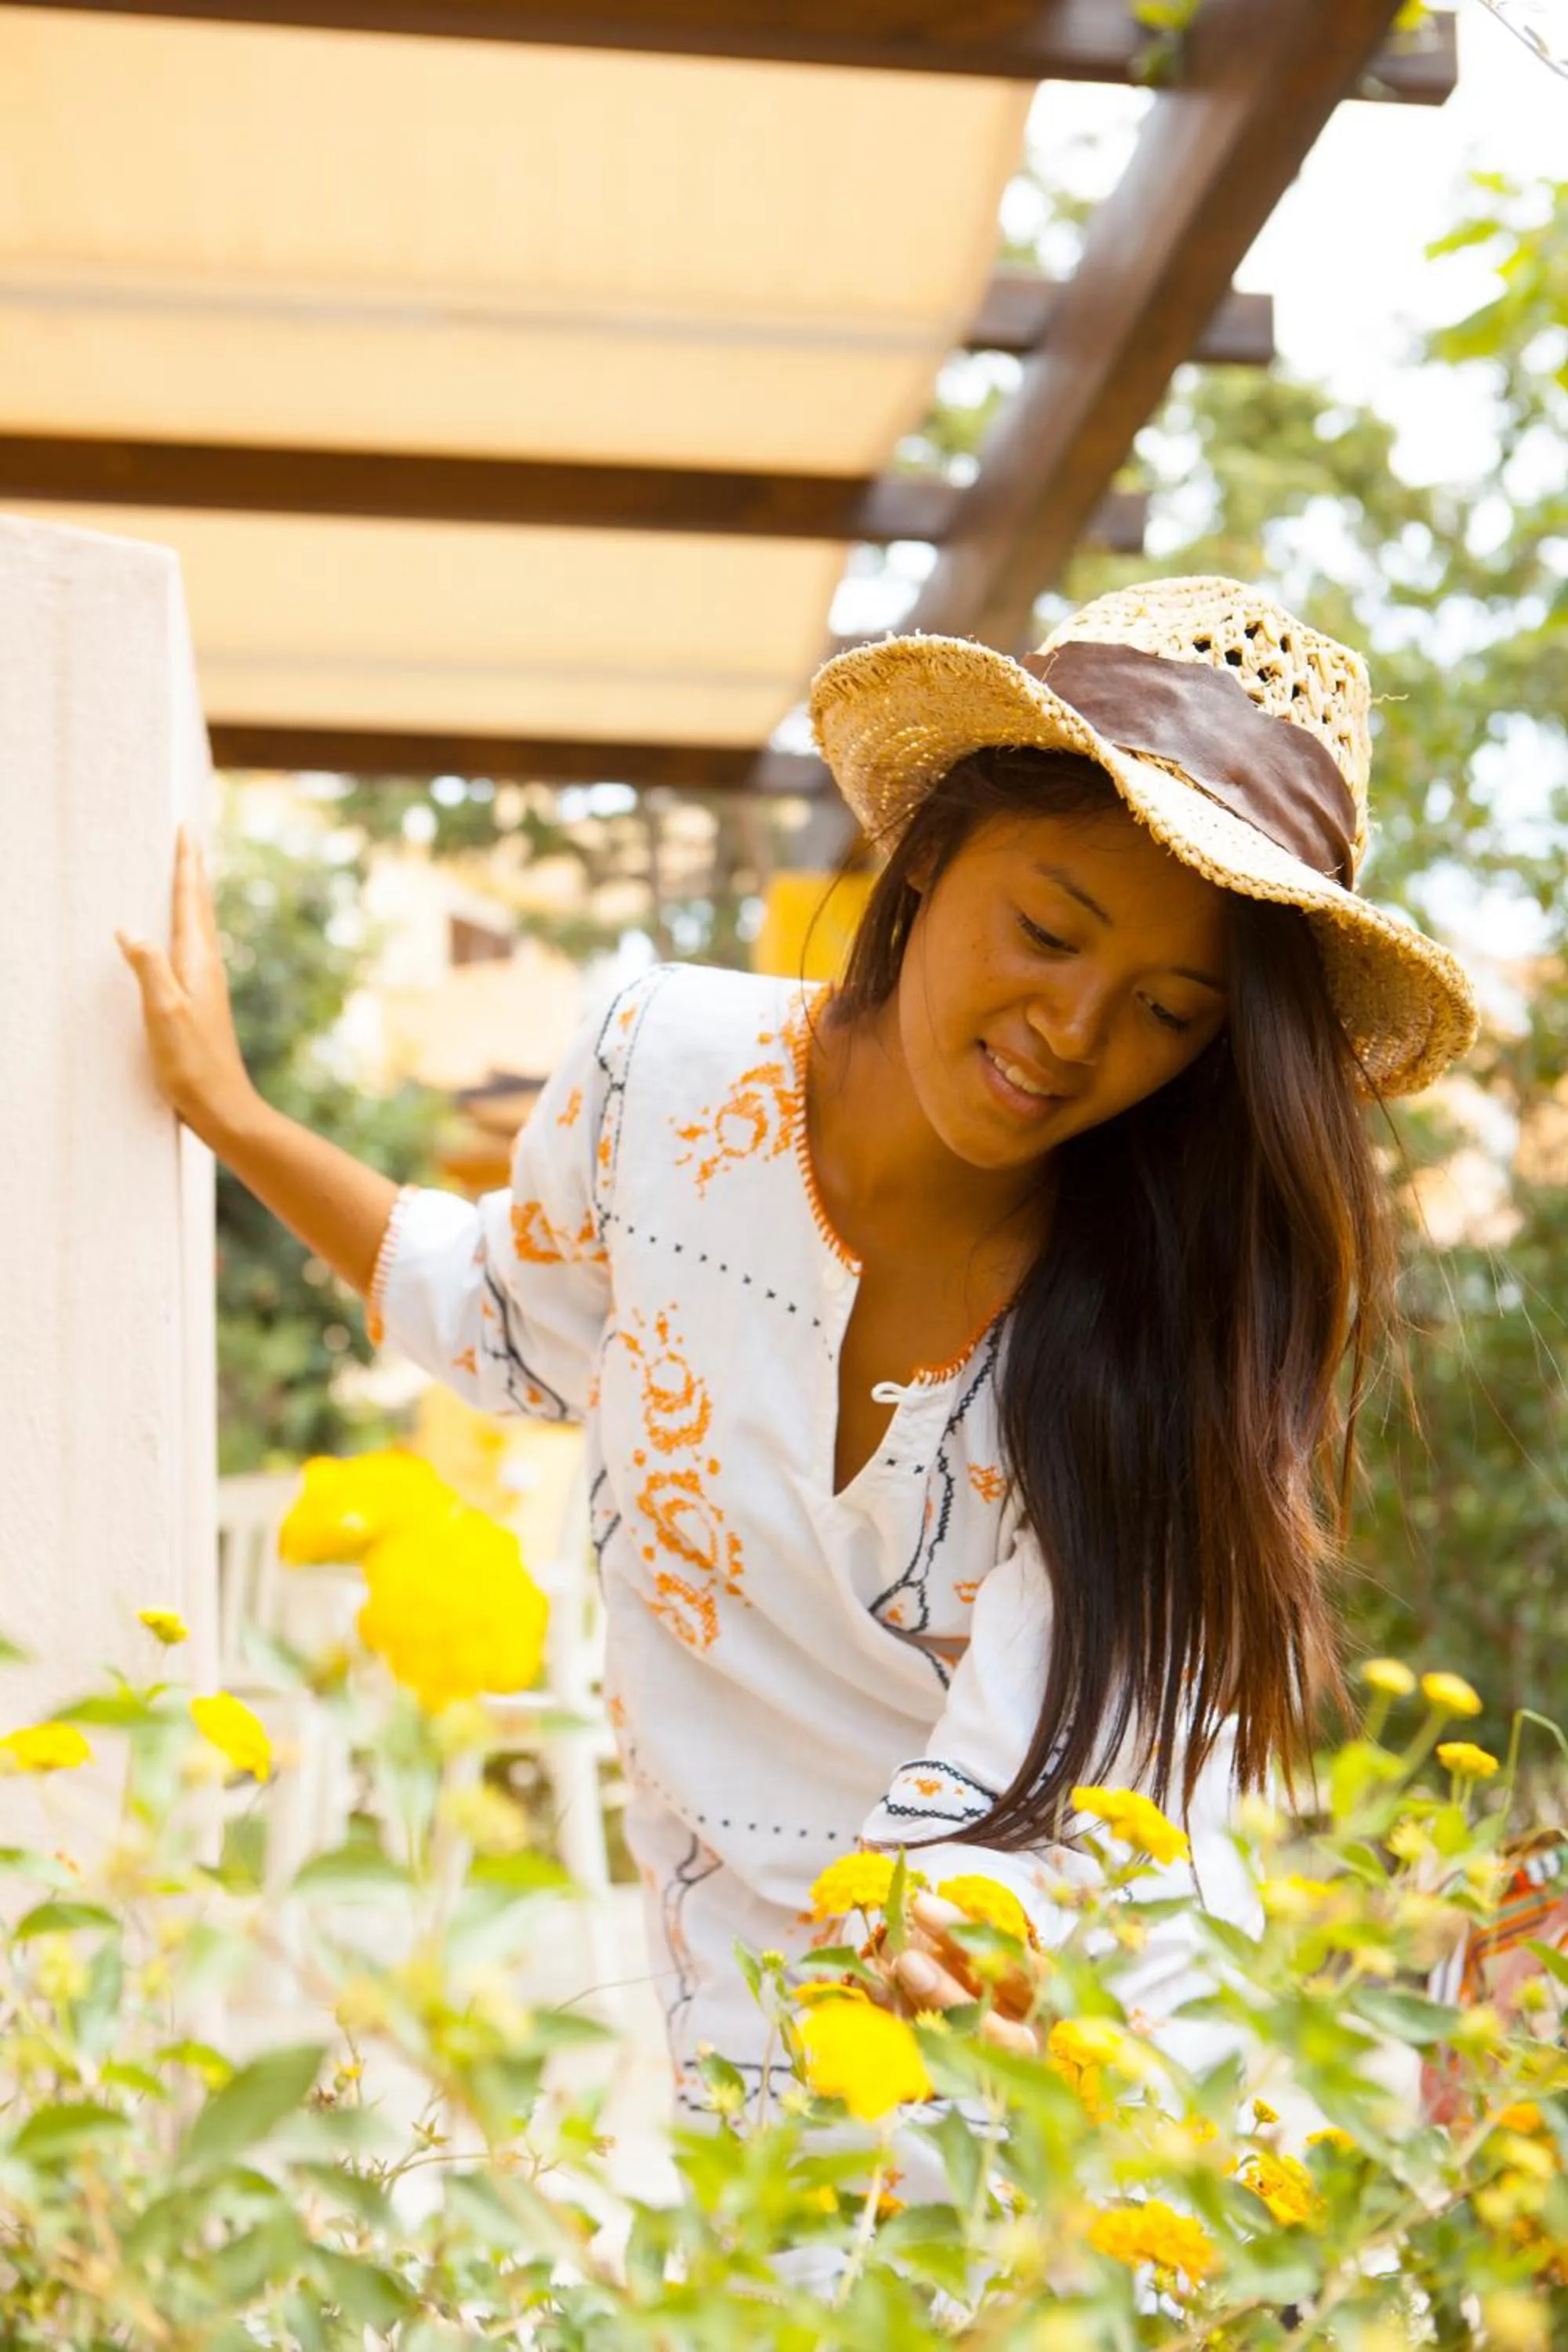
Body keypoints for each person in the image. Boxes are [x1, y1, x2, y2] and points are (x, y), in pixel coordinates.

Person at [118, 575, 1477, 2116]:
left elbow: (1048, 1800)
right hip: (752, 2027)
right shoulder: (661, 1073)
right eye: (1047, 928)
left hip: (1077, 2069)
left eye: (1169, 1014)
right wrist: (232, 1114)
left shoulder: (1168, 1323)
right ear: (935, 840)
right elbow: (501, 1307)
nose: (1077, 1029)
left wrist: (909, 1985)